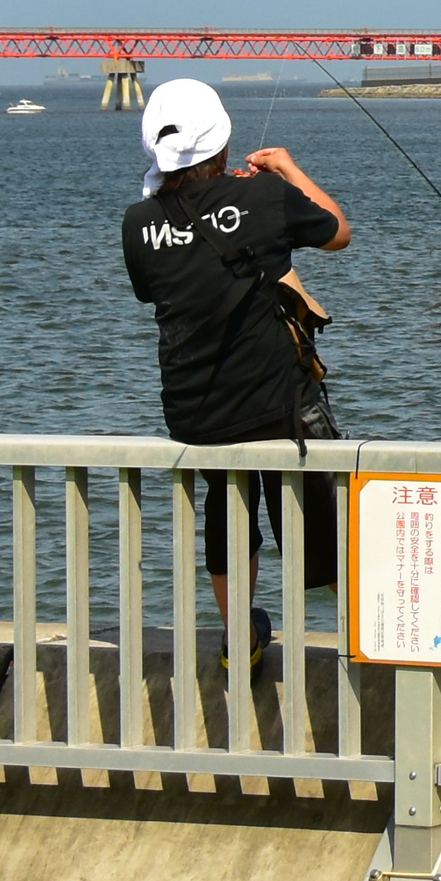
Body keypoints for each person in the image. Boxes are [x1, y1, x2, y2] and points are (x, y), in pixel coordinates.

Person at [119, 79, 355, 658]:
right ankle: (368, 628)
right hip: (277, 404)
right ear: (222, 142)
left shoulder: (137, 224)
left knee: (228, 507)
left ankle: (236, 634)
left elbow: (156, 290)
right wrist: (286, 170)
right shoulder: (265, 199)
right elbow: (337, 232)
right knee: (317, 513)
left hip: (197, 412)